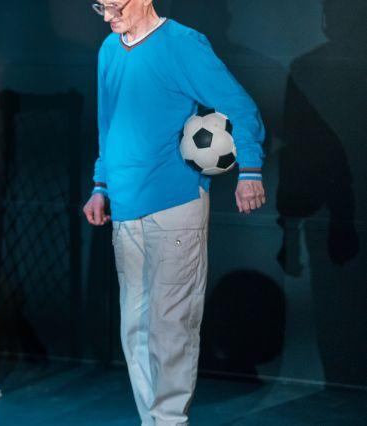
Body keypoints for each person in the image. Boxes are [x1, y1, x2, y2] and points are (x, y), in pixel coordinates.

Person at [83, 1, 266, 425]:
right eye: (99, 7)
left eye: (113, 6)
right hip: (125, 210)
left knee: (171, 327)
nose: (108, 17)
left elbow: (240, 107)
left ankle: (169, 420)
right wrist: (100, 185)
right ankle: (155, 421)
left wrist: (250, 170)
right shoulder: (109, 50)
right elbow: (106, 123)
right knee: (135, 329)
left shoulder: (182, 45)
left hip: (174, 207)